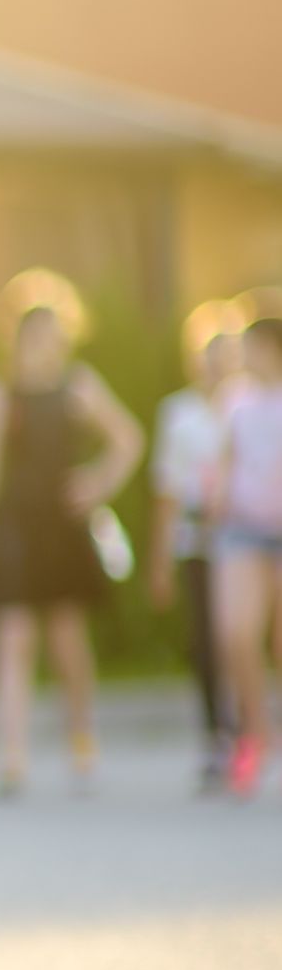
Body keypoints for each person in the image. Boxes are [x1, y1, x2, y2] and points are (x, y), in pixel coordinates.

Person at [0, 270, 145, 797]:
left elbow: (128, 438)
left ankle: (81, 738)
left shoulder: (78, 386)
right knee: (12, 635)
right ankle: (12, 754)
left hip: (64, 523)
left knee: (67, 638)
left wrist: (99, 481)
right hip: (16, 526)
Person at [151, 301, 247, 789]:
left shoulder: (253, 406)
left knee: (241, 636)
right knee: (207, 640)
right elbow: (167, 490)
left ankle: (250, 728)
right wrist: (160, 559)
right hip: (198, 542)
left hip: (247, 540)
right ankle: (217, 735)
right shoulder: (179, 415)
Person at [209, 313, 282, 797]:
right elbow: (223, 458)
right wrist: (215, 495)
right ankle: (256, 733)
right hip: (241, 529)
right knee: (235, 632)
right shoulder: (233, 399)